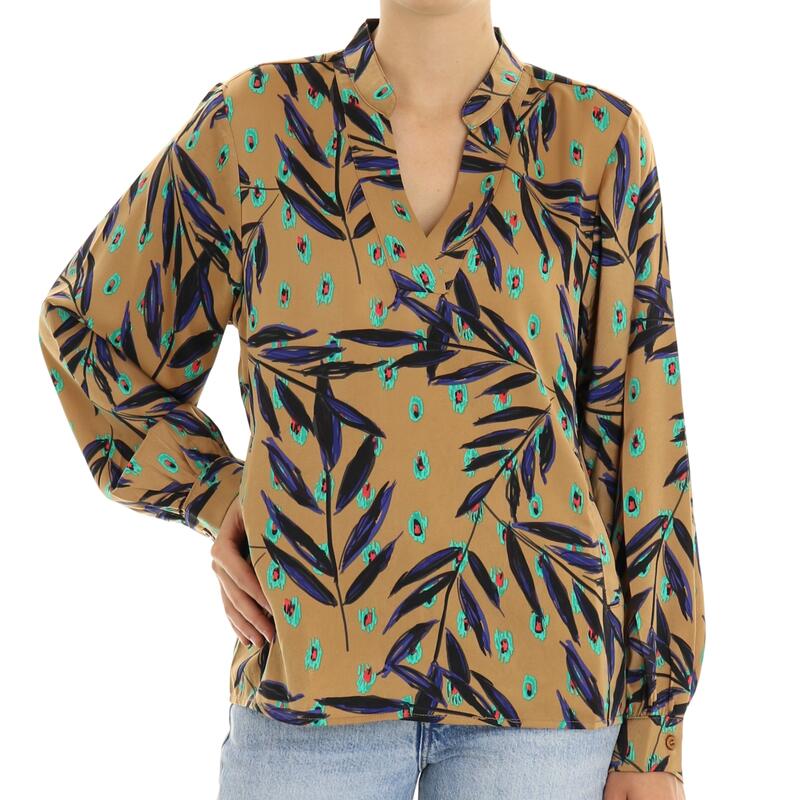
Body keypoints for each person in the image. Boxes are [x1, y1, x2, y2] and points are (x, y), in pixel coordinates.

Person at [37, 2, 705, 798]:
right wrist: (215, 494)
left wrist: (653, 741)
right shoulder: (258, 125)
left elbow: (642, 442)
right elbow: (90, 330)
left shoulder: (596, 142)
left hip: (544, 699)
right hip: (307, 690)